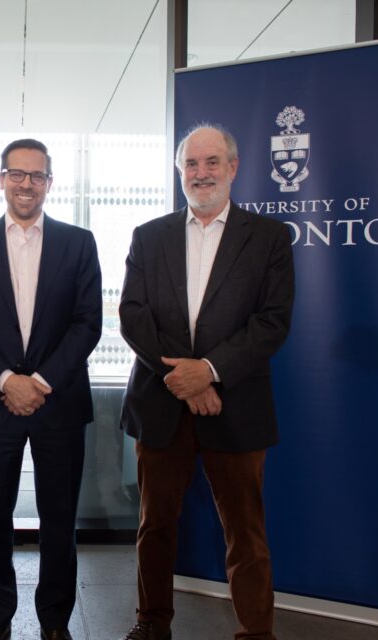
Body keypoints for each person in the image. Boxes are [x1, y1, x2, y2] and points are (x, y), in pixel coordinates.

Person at [118, 125, 295, 640]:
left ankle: (256, 633)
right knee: (155, 526)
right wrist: (187, 379)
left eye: (211, 162)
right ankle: (151, 623)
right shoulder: (148, 236)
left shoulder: (268, 238)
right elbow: (133, 316)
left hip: (236, 405)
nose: (201, 173)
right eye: (191, 165)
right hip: (162, 402)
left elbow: (272, 322)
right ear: (180, 172)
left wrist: (211, 371)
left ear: (233, 168)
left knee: (246, 532)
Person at [0, 138, 103, 640]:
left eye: (37, 176)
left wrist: (37, 383)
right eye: (17, 174)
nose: (26, 184)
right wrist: (6, 381)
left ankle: (55, 621)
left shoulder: (79, 242)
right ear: (1, 179)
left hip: (57, 402)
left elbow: (88, 324)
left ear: (50, 184)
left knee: (59, 520)